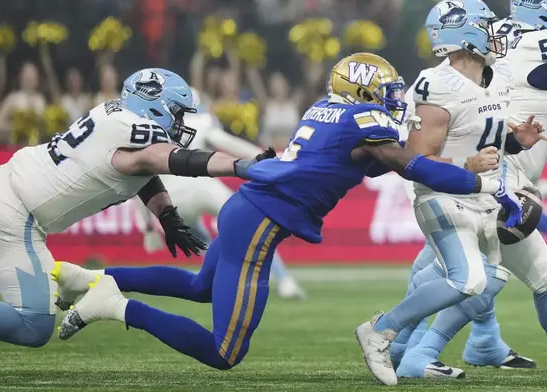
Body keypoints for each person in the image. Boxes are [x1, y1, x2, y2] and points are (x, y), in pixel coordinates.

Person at [54, 52, 522, 370]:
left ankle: (89, 278)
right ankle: (114, 305)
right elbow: (405, 164)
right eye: (386, 90)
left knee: (201, 287)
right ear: (362, 91)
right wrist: (478, 180)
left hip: (249, 207)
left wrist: (462, 164)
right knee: (225, 351)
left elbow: (377, 164)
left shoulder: (327, 110)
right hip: (261, 220)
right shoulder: (364, 118)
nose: (393, 100)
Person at [355, 0, 547, 386]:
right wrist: (468, 169)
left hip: (488, 189)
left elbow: (496, 129)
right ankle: (390, 334)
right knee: (467, 278)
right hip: (449, 192)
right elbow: (420, 158)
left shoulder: (491, 76)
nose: (497, 32)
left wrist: (521, 140)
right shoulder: (439, 82)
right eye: (486, 26)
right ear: (465, 32)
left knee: (543, 277)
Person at [0, 67, 264, 348]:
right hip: (16, 214)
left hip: (12, 195)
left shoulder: (114, 116)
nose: (181, 122)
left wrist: (167, 214)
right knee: (33, 324)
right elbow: (176, 160)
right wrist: (239, 165)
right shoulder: (134, 131)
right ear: (155, 105)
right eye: (178, 113)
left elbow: (140, 171)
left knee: (36, 325)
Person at [140, 88, 305, 300]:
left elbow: (142, 179)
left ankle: (221, 281)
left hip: (172, 199)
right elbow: (227, 142)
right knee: (253, 226)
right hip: (203, 187)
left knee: (202, 241)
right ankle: (284, 280)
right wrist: (264, 156)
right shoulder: (201, 121)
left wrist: (147, 226)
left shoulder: (153, 129)